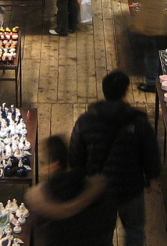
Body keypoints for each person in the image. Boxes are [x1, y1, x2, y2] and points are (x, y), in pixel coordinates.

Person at [68, 70, 161, 246]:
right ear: (126, 92)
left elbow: (75, 155)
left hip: (99, 189)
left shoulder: (86, 120)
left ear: (104, 92)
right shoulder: (137, 120)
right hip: (131, 187)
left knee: (101, 235)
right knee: (134, 230)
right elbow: (150, 151)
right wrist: (152, 176)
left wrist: (81, 177)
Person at [24, 135, 107, 246]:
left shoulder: (38, 201)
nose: (42, 166)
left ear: (54, 165)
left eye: (43, 162)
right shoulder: (93, 189)